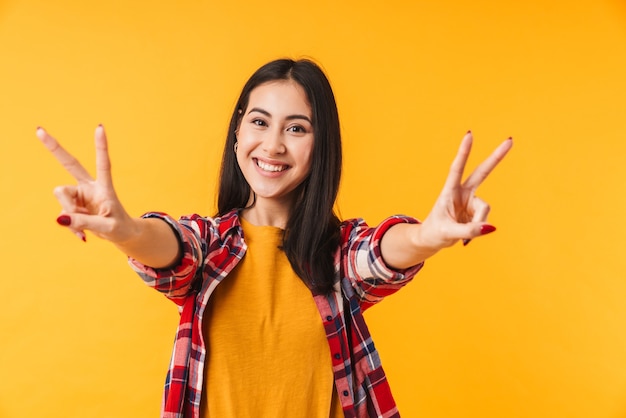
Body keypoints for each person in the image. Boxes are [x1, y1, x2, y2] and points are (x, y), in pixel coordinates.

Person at [37, 58, 512, 418]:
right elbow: (171, 250)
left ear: (320, 144)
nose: (273, 145)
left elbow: (380, 255)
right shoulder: (209, 245)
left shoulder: (337, 254)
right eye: (260, 121)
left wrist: (429, 235)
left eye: (297, 128)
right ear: (239, 128)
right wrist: (127, 232)